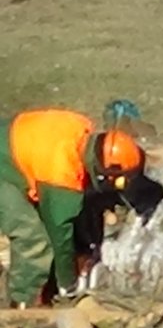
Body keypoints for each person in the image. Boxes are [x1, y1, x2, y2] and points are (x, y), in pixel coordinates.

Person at [2, 105, 147, 308]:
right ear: (103, 174)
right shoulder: (62, 174)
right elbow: (59, 236)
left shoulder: (82, 130)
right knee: (33, 239)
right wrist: (68, 284)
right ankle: (22, 304)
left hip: (11, 145)